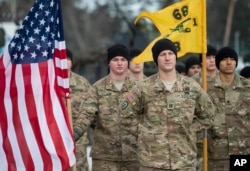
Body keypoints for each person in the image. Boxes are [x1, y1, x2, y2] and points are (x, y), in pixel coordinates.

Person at [119, 38, 215, 171]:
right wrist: (144, 131)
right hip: (152, 162)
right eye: (162, 54)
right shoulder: (143, 88)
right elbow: (124, 114)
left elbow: (209, 114)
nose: (167, 58)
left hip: (184, 161)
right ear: (156, 59)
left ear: (175, 57)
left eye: (170, 54)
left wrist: (191, 128)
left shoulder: (192, 86)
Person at [74, 44, 139, 171]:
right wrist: (74, 134)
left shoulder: (139, 88)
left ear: (128, 63)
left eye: (123, 60)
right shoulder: (97, 89)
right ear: (109, 63)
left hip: (133, 155)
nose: (119, 63)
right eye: (115, 60)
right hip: (105, 157)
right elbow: (86, 114)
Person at [207, 47, 250, 171]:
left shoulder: (247, 87)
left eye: (232, 59)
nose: (229, 62)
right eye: (225, 59)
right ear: (218, 63)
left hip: (242, 153)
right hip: (215, 154)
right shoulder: (206, 88)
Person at [191, 45, 218, 171]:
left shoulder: (224, 78)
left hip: (222, 137)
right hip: (200, 138)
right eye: (208, 57)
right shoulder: (193, 82)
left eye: (214, 57)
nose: (212, 60)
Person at [67, 48, 92, 171]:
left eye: (67, 59)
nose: (64, 62)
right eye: (60, 59)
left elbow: (92, 109)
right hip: (54, 140)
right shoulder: (49, 82)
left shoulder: (82, 83)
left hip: (79, 143)